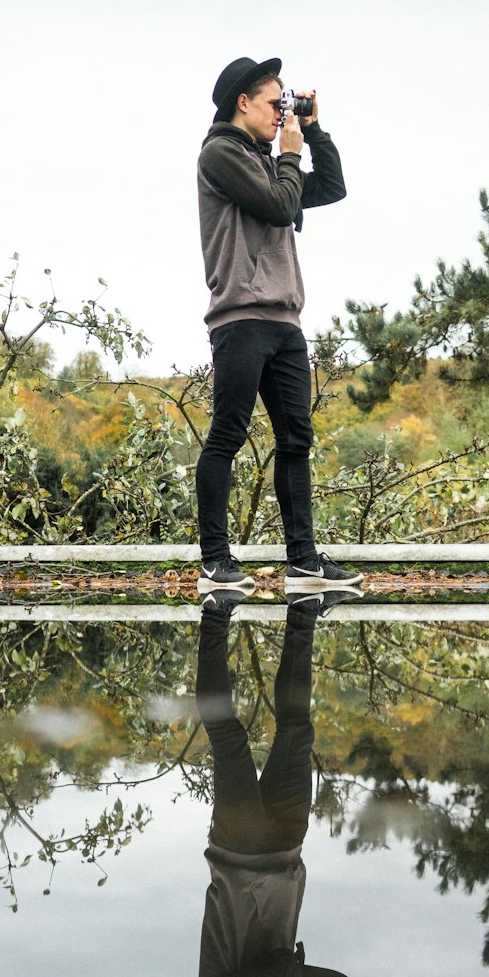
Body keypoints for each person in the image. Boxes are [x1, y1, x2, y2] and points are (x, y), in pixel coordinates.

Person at [195, 55, 364, 596]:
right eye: (275, 103)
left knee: (296, 439)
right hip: (241, 317)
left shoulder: (270, 160)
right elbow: (276, 204)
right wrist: (290, 154)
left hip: (286, 320)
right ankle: (214, 563)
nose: (281, 113)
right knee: (227, 434)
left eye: (287, 105)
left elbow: (332, 187)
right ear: (242, 102)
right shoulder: (221, 154)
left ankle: (304, 563)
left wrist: (313, 134)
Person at [196, 597, 349, 977]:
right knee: (296, 727)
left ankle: (215, 611)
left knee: (228, 736)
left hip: (240, 852)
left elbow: (279, 969)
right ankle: (304, 608)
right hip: (284, 848)